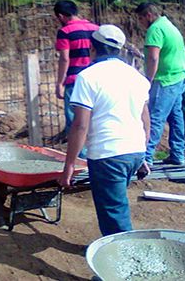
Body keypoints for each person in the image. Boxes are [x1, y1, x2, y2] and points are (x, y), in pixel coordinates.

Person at [58, 24, 151, 236]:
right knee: (116, 205)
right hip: (134, 152)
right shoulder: (136, 77)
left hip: (108, 156)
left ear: (92, 48)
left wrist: (69, 165)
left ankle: (123, 261)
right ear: (119, 50)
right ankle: (115, 251)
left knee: (115, 216)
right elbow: (145, 120)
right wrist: (142, 153)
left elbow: (81, 126)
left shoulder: (88, 77)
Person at [135, 2, 185, 166]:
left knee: (155, 118)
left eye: (140, 19)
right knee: (175, 118)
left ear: (148, 15)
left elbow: (153, 57)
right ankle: (178, 154)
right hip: (178, 77)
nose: (140, 23)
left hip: (165, 80)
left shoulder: (155, 29)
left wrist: (148, 80)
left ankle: (146, 158)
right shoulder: (168, 25)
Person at [54, 0, 99, 138]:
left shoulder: (65, 32)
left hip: (75, 80)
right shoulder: (96, 29)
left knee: (75, 120)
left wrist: (60, 83)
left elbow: (64, 59)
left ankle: (80, 156)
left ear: (61, 16)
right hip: (96, 79)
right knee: (95, 118)